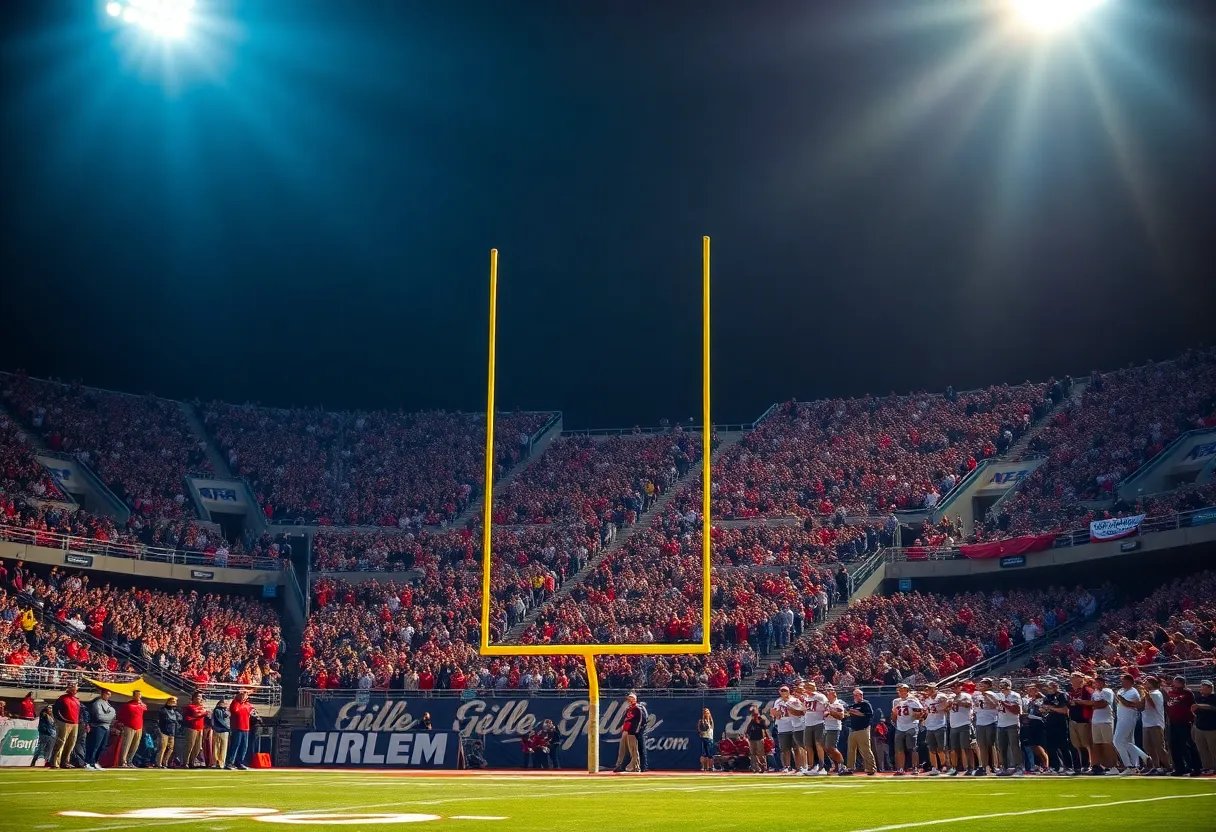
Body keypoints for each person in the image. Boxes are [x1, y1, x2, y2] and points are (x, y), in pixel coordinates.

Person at [1113, 674, 1150, 773]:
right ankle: (1138, 763)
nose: (1122, 683)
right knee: (1127, 742)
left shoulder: (1133, 692)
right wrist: (1119, 696)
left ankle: (1129, 766)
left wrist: (1119, 697)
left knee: (1117, 741)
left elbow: (1128, 704)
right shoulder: (1121, 691)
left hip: (1128, 718)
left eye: (1124, 681)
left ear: (1129, 682)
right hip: (1121, 718)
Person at [1165, 675, 1200, 776]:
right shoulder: (1170, 692)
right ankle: (1179, 768)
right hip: (1173, 722)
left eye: (1178, 682)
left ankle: (1195, 767)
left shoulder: (1187, 693)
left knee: (1188, 745)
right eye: (1176, 682)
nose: (1176, 684)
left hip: (1184, 722)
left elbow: (1192, 705)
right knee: (1174, 746)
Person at [1040, 680, 1075, 774]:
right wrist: (1043, 709)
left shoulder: (1062, 695)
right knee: (1051, 747)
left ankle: (1068, 766)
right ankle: (1054, 767)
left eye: (1052, 686)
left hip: (1060, 723)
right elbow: (1044, 710)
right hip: (1049, 723)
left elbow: (1065, 710)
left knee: (1063, 746)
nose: (1050, 689)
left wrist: (1050, 708)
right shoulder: (1048, 697)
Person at [769, 685, 805, 773]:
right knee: (785, 748)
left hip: (794, 726)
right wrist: (774, 713)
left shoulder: (794, 700)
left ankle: (799, 766)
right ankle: (787, 766)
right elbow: (775, 714)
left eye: (785, 690)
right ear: (779, 692)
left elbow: (802, 712)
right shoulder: (778, 701)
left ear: (789, 691)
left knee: (796, 748)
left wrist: (792, 710)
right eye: (782, 690)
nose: (784, 692)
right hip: (782, 726)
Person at [890, 683, 924, 776]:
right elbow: (894, 715)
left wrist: (916, 717)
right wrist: (893, 716)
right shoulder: (896, 701)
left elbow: (920, 712)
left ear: (907, 691)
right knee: (899, 749)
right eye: (899, 690)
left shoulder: (913, 700)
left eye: (903, 690)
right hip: (900, 726)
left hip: (911, 726)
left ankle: (915, 767)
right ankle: (900, 768)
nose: (901, 692)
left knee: (912, 748)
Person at [842, 688, 876, 775]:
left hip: (863, 729)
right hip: (853, 729)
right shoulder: (852, 705)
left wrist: (856, 712)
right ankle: (850, 768)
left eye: (858, 695)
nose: (856, 697)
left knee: (865, 749)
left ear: (861, 695)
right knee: (851, 750)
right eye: (855, 695)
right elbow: (846, 715)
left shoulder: (865, 704)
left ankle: (871, 768)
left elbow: (869, 715)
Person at [1140, 676, 1170, 774]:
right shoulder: (1148, 694)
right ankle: (1156, 766)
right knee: (1147, 747)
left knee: (1159, 747)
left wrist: (1146, 695)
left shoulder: (1156, 693)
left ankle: (1167, 766)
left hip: (1156, 723)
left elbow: (1152, 705)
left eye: (1147, 682)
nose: (1144, 684)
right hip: (1146, 723)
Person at [49, 682, 81, 770]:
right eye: (74, 689)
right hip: (65, 723)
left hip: (74, 723)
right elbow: (56, 711)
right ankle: (55, 762)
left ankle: (65, 761)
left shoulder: (76, 700)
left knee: (71, 743)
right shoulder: (62, 699)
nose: (75, 690)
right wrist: (62, 720)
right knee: (61, 742)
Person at [995, 679, 1023, 776]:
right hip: (1001, 724)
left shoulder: (1015, 695)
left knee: (1014, 746)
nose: (1002, 687)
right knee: (1002, 747)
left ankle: (1019, 767)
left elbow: (1017, 711)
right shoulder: (999, 695)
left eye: (1004, 685)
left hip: (1012, 723)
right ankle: (1004, 767)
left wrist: (1004, 704)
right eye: (1001, 685)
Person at [1066, 673, 1094, 773]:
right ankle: (1080, 765)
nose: (1072, 680)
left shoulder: (1086, 690)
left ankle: (1091, 764)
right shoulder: (1072, 691)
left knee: (1086, 743)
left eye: (1074, 678)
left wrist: (1078, 702)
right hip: (1073, 719)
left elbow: (1090, 702)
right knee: (1077, 744)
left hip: (1083, 719)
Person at [800, 681, 829, 775]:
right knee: (808, 745)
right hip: (808, 723)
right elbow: (803, 709)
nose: (807, 688)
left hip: (818, 722)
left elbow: (827, 705)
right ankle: (811, 766)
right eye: (807, 686)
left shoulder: (819, 696)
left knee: (818, 744)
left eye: (810, 686)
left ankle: (821, 766)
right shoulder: (806, 698)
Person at [1088, 678, 1116, 775]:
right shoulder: (1095, 693)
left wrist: (1095, 704)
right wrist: (1095, 704)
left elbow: (1103, 704)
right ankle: (1099, 766)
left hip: (1106, 721)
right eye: (1096, 682)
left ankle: (1112, 766)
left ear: (1104, 683)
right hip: (1095, 721)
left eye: (1099, 682)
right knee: (1097, 744)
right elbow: (1093, 705)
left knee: (1108, 744)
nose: (1097, 684)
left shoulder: (1107, 691)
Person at [921, 682, 950, 776]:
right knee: (931, 749)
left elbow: (948, 704)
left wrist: (942, 706)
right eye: (927, 688)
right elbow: (925, 712)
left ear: (935, 689)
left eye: (930, 688)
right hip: (929, 725)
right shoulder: (926, 700)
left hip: (940, 725)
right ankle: (934, 767)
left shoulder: (941, 697)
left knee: (941, 748)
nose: (928, 690)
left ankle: (945, 765)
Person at [946, 680, 974, 776]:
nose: (954, 689)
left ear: (960, 687)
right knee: (955, 748)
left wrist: (957, 701)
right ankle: (958, 767)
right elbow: (946, 708)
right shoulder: (950, 697)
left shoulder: (966, 695)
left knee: (966, 747)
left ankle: (970, 768)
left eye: (955, 687)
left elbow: (968, 704)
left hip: (964, 724)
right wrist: (948, 703)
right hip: (953, 725)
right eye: (952, 687)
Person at [973, 678, 1000, 775]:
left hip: (991, 721)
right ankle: (984, 766)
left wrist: (986, 695)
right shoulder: (976, 695)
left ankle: (994, 765)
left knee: (990, 745)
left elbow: (995, 704)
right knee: (982, 746)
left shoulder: (993, 694)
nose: (981, 686)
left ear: (989, 686)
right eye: (981, 684)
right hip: (980, 722)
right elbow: (975, 706)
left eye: (984, 684)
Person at [1191, 679, 1216, 774]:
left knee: (1213, 749)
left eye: (1204, 687)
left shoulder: (1214, 698)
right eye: (1202, 687)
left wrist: (1200, 706)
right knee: (1202, 749)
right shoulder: (1198, 698)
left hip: (1212, 728)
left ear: (1210, 688)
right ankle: (1207, 767)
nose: (1202, 689)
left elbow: (1213, 708)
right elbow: (1196, 713)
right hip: (1199, 727)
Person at [612, 692, 641, 773]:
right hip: (626, 730)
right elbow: (624, 718)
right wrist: (622, 725)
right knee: (622, 749)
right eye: (629, 698)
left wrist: (635, 730)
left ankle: (636, 767)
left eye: (632, 698)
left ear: (635, 699)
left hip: (631, 731)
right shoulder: (628, 709)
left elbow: (640, 721)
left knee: (633, 750)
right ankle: (619, 765)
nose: (630, 700)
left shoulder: (637, 708)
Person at [86, 689, 115, 770]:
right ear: (102, 694)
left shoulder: (107, 704)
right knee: (95, 745)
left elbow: (113, 715)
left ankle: (95, 762)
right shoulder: (97, 703)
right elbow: (99, 716)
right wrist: (109, 717)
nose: (108, 696)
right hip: (98, 727)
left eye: (109, 694)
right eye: (107, 694)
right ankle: (90, 762)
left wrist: (109, 717)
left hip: (106, 727)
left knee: (102, 746)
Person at [118, 690, 148, 768]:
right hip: (129, 726)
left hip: (139, 727)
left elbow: (145, 708)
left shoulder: (141, 705)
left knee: (135, 745)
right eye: (137, 695)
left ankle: (130, 760)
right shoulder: (128, 705)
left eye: (140, 695)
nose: (139, 696)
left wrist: (140, 703)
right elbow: (121, 715)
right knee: (126, 744)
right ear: (134, 696)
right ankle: (123, 761)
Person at [822, 687, 847, 775]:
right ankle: (836, 766)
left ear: (833, 695)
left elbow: (841, 716)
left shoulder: (838, 704)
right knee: (827, 748)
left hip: (834, 728)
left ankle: (842, 765)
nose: (827, 696)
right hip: (826, 727)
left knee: (831, 747)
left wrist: (831, 712)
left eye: (829, 694)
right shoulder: (826, 704)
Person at [228, 690, 254, 770]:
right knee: (235, 745)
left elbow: (251, 712)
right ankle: (230, 762)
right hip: (237, 727)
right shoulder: (235, 703)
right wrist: (237, 699)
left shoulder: (248, 705)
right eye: (242, 695)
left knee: (244, 746)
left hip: (246, 728)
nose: (244, 696)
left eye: (245, 695)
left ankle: (239, 762)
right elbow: (234, 710)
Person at [182, 692, 208, 769]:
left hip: (200, 728)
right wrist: (203, 714)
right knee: (189, 746)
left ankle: (192, 762)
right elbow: (190, 717)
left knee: (198, 747)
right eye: (199, 697)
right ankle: (185, 762)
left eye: (201, 697)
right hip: (192, 728)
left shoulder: (202, 707)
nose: (201, 699)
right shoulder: (190, 707)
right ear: (194, 698)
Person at [157, 696, 182, 769]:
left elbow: (180, 718)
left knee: (171, 748)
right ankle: (159, 763)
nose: (175, 703)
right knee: (162, 748)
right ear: (169, 701)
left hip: (172, 732)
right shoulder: (163, 710)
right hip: (164, 731)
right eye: (173, 701)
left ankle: (165, 762)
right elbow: (165, 719)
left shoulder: (175, 711)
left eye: (175, 702)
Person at [743, 706, 770, 773]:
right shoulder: (751, 720)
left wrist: (759, 723)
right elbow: (748, 728)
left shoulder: (761, 719)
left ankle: (763, 767)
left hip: (759, 738)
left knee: (760, 753)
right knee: (753, 754)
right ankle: (756, 768)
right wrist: (746, 734)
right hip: (752, 738)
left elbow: (765, 727)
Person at [211, 698, 230, 769]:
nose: (227, 704)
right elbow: (220, 721)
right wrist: (228, 728)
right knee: (217, 746)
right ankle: (216, 762)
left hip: (224, 731)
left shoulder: (225, 711)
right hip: (219, 730)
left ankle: (221, 762)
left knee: (223, 747)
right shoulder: (217, 710)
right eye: (225, 703)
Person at [634, 698, 651, 772]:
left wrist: (638, 729)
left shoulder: (640, 708)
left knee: (641, 748)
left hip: (639, 731)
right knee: (637, 749)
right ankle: (641, 766)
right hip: (635, 731)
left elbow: (643, 720)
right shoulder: (633, 708)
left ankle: (643, 766)